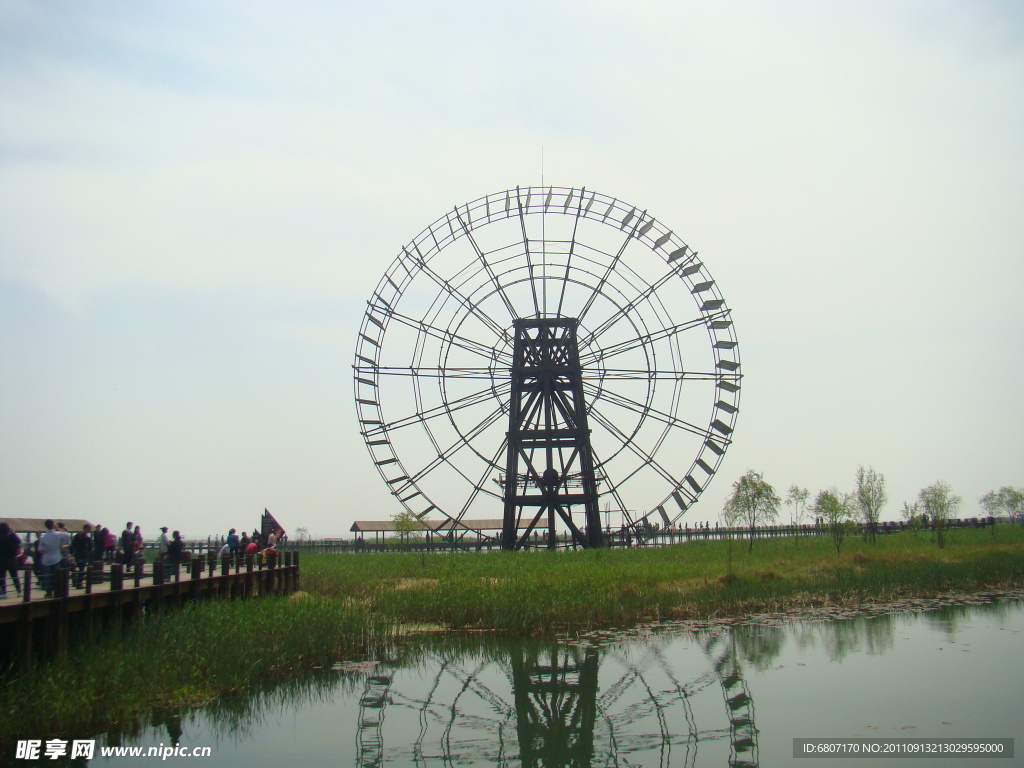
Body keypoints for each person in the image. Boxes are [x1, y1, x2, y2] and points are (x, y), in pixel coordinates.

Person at [37, 519, 68, 598]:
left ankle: (48, 592)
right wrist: (58, 528)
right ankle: (57, 591)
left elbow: (40, 549)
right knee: (57, 575)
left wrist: (46, 549)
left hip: (46, 558)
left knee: (47, 576)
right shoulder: (58, 534)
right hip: (56, 557)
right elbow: (66, 535)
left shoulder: (43, 537)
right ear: (53, 525)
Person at [0, 522, 23, 598]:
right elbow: (19, 541)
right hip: (12, 559)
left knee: (2, 576)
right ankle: (19, 591)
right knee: (14, 576)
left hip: (2, 559)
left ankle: (4, 593)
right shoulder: (11, 537)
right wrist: (13, 533)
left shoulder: (1, 537)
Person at [71, 524, 93, 589]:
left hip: (79, 554)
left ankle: (78, 582)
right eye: (89, 529)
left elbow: (73, 545)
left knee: (81, 568)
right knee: (81, 569)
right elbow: (90, 547)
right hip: (82, 554)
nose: (89, 531)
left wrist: (72, 553)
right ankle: (79, 583)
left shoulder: (78, 536)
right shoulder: (87, 538)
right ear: (86, 529)